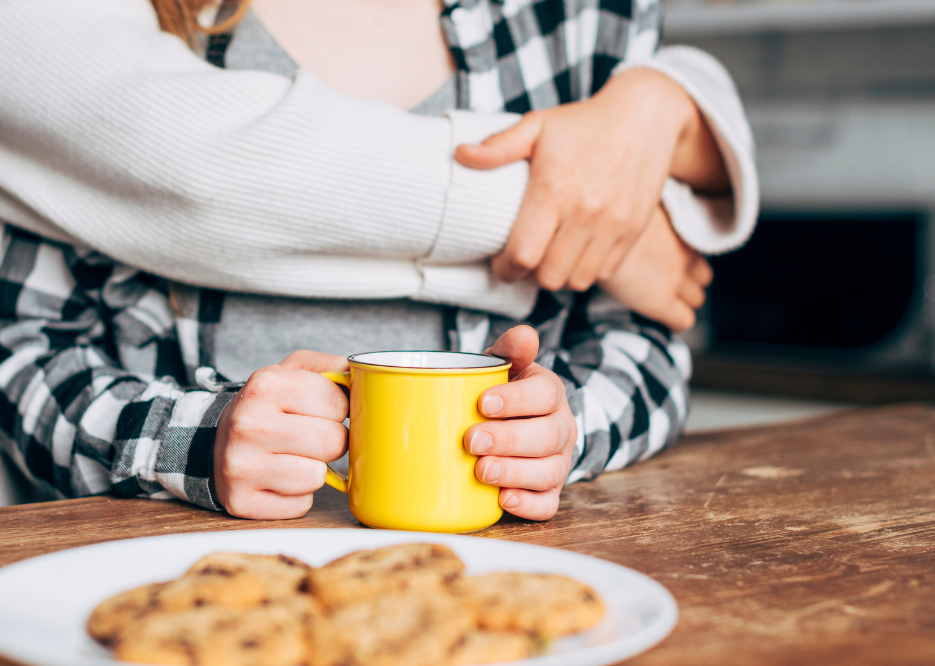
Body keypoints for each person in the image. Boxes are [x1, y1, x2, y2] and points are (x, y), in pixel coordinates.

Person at [0, 0, 758, 520]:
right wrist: (197, 439)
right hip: (174, 580)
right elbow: (24, 352)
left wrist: (563, 433)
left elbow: (648, 339)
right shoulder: (118, 23)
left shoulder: (583, 18)